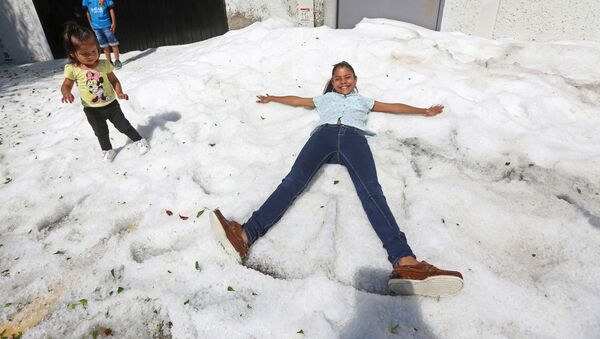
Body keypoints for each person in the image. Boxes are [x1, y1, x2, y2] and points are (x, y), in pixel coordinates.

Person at [210, 61, 463, 297]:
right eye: (338, 78)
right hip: (323, 137)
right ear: (332, 82)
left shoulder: (363, 101)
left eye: (347, 77)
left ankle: (406, 262)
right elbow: (298, 101)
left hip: (355, 139)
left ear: (355, 79)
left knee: (372, 193)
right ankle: (244, 236)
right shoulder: (324, 99)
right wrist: (273, 97)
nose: (343, 81)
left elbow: (393, 107)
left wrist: (423, 111)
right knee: (292, 182)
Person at [60, 23, 149, 162]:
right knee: (100, 132)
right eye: (85, 54)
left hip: (111, 105)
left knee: (123, 125)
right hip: (92, 110)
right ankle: (107, 150)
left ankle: (139, 140)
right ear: (73, 54)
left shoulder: (104, 64)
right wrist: (66, 92)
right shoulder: (72, 68)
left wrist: (119, 92)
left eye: (94, 51)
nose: (90, 56)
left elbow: (114, 80)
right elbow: (66, 84)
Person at [82, 0, 122, 69]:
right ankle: (109, 62)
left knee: (113, 43)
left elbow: (111, 9)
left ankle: (117, 60)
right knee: (104, 45)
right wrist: (91, 24)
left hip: (106, 25)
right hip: (96, 27)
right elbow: (87, 11)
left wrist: (114, 23)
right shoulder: (86, 0)